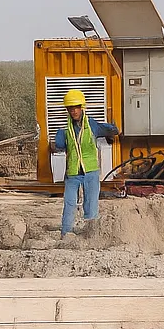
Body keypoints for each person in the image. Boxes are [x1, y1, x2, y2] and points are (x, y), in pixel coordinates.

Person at [52, 89, 119, 238]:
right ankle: (65, 234)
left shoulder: (92, 125)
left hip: (90, 171)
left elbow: (112, 131)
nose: (74, 111)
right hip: (73, 173)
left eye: (76, 107)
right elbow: (60, 146)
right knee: (69, 204)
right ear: (67, 109)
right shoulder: (64, 130)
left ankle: (91, 235)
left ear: (82, 107)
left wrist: (113, 129)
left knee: (91, 204)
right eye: (71, 108)